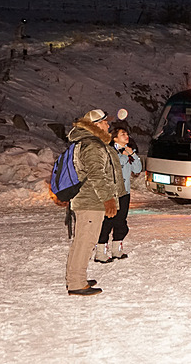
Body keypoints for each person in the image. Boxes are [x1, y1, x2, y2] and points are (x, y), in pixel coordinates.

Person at [65, 109, 123, 296]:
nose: (108, 125)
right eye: (105, 122)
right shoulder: (92, 145)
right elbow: (97, 174)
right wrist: (108, 199)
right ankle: (76, 283)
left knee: (82, 240)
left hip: (89, 200)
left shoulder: (90, 142)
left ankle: (75, 277)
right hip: (91, 201)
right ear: (96, 124)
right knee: (85, 242)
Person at [94, 124, 142, 262]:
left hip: (125, 192)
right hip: (112, 192)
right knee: (108, 220)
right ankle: (100, 252)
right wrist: (123, 155)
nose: (126, 136)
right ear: (115, 138)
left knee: (121, 221)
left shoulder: (128, 151)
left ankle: (117, 249)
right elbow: (114, 167)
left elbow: (137, 169)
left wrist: (131, 154)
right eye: (122, 134)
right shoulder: (109, 151)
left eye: (127, 134)